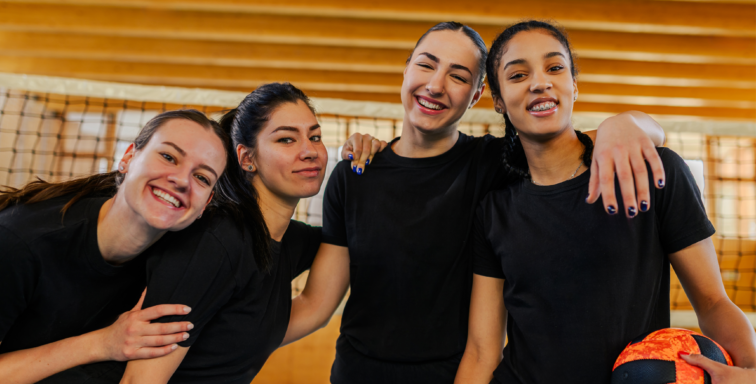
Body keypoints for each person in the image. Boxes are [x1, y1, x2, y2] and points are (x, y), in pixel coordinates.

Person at [283, 21, 669, 384]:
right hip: (357, 373)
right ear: (406, 71)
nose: (436, 85)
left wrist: (627, 123)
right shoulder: (354, 174)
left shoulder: (493, 163)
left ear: (478, 95)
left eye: (458, 76)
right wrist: (236, 340)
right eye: (426, 65)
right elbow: (316, 304)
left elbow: (591, 145)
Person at [455, 20, 756, 384]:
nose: (540, 82)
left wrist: (751, 372)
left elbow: (712, 302)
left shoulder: (655, 172)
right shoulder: (494, 212)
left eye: (555, 67)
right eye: (518, 75)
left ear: (574, 85)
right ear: (499, 100)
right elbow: (482, 350)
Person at [95, 82, 382, 384]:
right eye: (286, 139)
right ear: (247, 158)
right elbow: (139, 381)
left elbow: (315, 306)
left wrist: (369, 161)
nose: (310, 151)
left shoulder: (288, 239)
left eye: (315, 137)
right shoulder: (216, 243)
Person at [0, 110, 232, 384]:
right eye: (168, 157)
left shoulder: (189, 255)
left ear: (206, 204)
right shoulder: (14, 245)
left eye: (202, 177)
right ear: (128, 158)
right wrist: (102, 343)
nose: (181, 180)